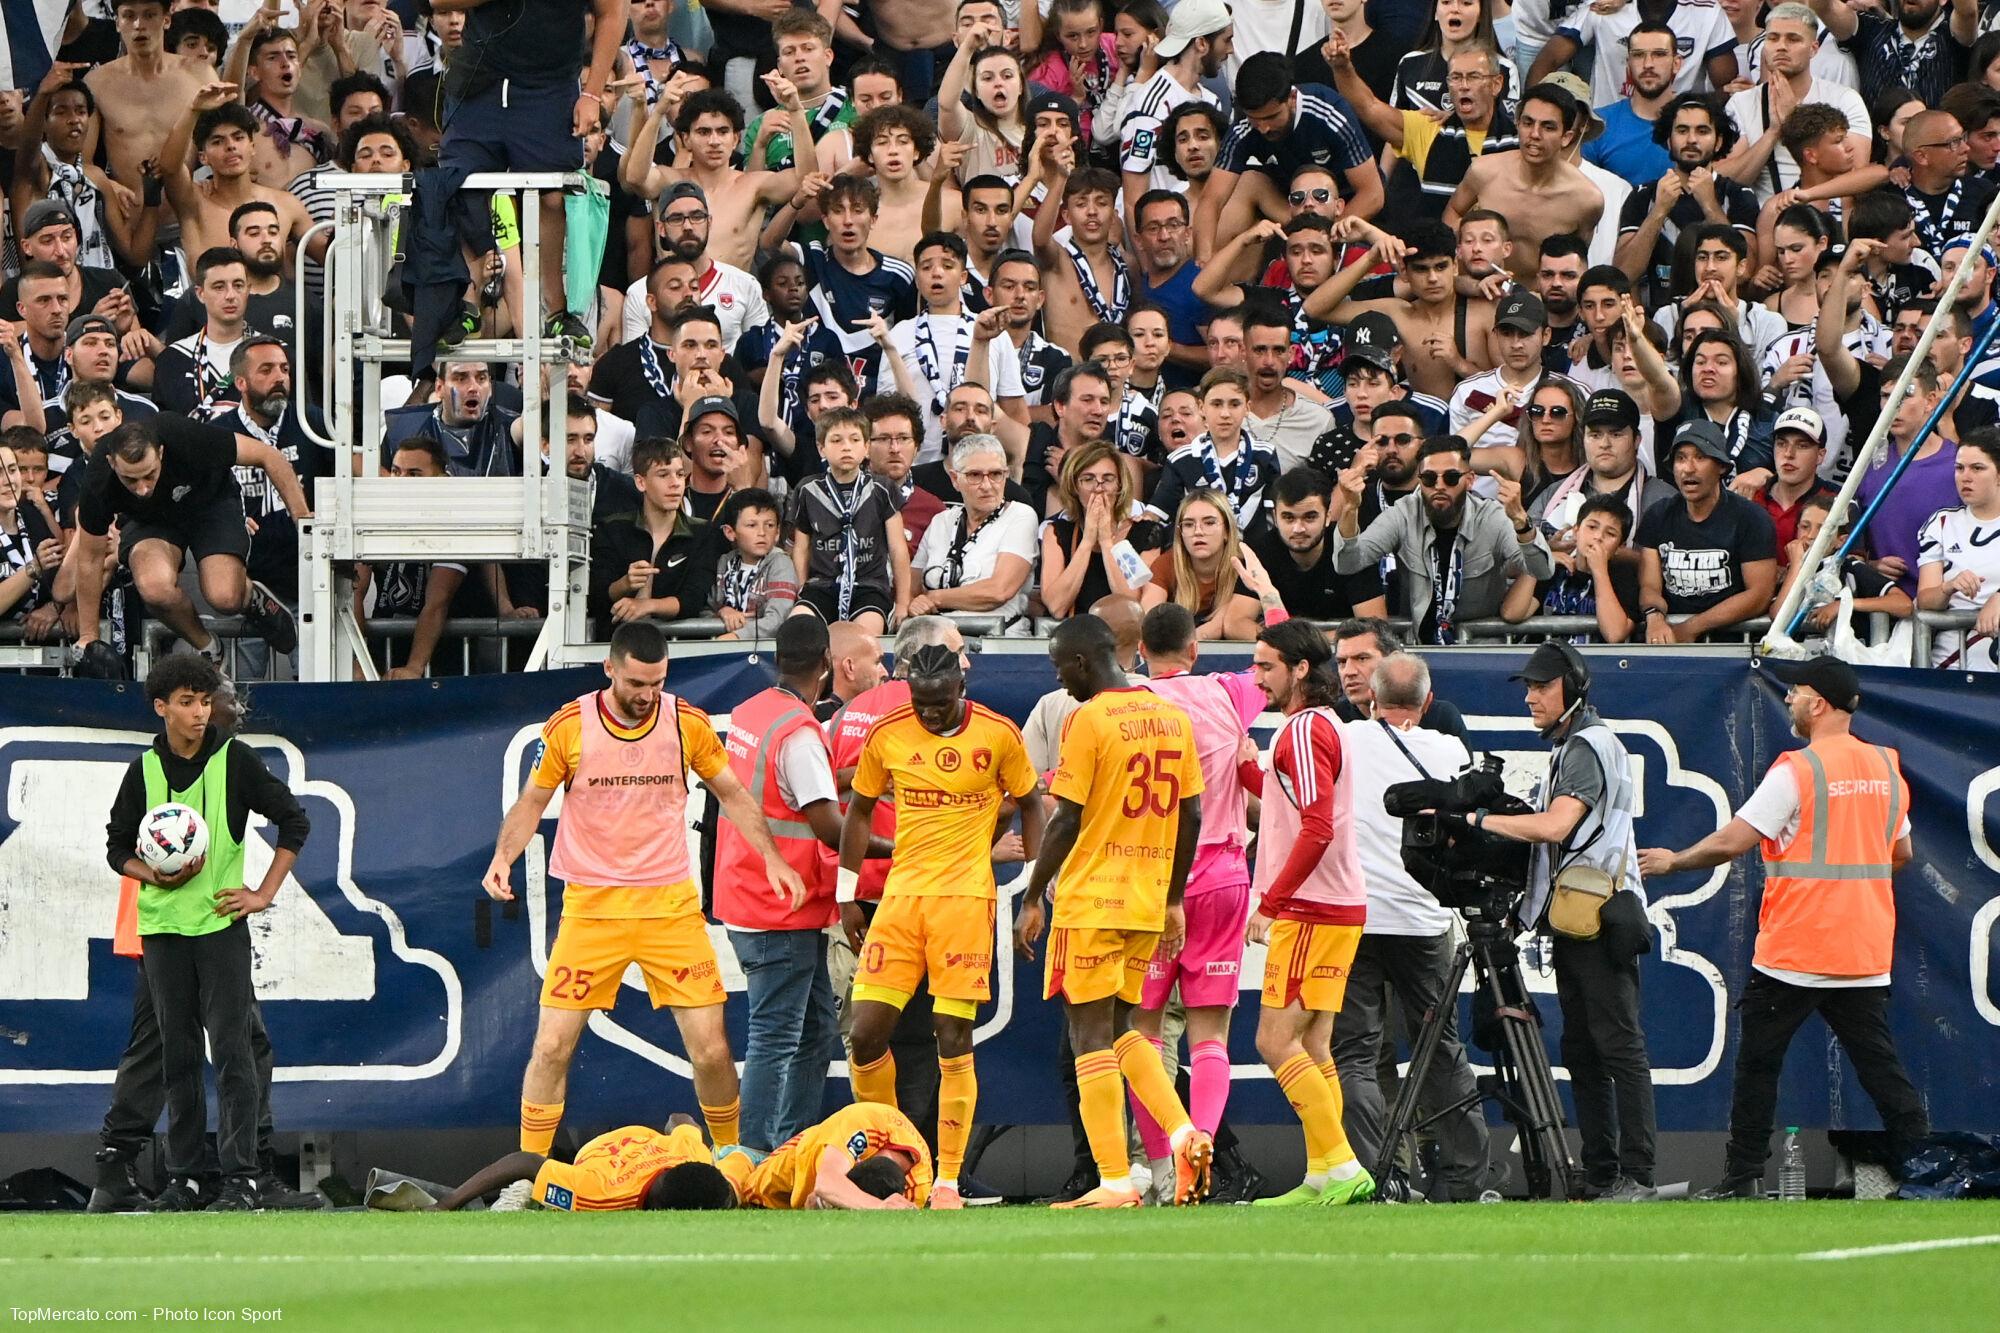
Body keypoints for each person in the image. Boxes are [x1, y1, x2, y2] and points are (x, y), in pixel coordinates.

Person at [482, 621, 807, 1157]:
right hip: (592, 909)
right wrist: (502, 858)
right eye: (636, 684)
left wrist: (772, 857)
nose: (647, 695)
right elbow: (530, 804)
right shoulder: (570, 726)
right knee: (551, 1047)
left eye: (657, 683)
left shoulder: (685, 724)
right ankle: (528, 1173)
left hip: (670, 908)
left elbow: (733, 794)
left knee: (710, 1051)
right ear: (609, 669)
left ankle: (731, 1161)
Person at [1639, 654, 1930, 1199]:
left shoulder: (1799, 769)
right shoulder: (1885, 767)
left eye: (1795, 692)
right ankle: (1925, 1167)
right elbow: (1903, 852)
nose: (1790, 701)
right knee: (1880, 1068)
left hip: (1797, 947)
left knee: (1758, 1066)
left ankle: (1743, 1177)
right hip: (1862, 947)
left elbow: (1733, 841)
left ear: (1818, 702)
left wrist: (1674, 861)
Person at [101, 653, 316, 1212]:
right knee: (176, 1058)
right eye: (188, 703)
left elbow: (295, 820)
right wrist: (154, 874)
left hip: (220, 928)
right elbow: (116, 845)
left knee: (233, 1054)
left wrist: (263, 893)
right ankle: (186, 1178)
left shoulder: (234, 761)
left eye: (204, 701)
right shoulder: (143, 769)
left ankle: (241, 1177)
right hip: (162, 930)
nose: (200, 714)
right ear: (162, 707)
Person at [1015, 614, 1212, 1208]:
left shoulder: (1089, 718)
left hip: (1092, 899)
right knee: (1127, 1029)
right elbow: (1192, 816)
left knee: (1088, 1036)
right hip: (1147, 899)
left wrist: (1031, 894)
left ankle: (1113, 1179)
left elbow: (1067, 816)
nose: (1059, 677)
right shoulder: (1172, 718)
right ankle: (1182, 1134)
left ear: (1081, 662)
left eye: (1058, 666)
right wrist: (1174, 896)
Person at [840, 642, 1043, 1208]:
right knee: (864, 1034)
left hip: (963, 902)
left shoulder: (999, 734)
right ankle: (886, 1155)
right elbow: (857, 811)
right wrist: (846, 894)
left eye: (938, 703)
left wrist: (1032, 891)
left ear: (960, 688)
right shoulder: (889, 733)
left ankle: (946, 1179)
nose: (928, 714)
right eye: (920, 702)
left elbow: (1031, 803)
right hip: (901, 902)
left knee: (952, 1038)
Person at [1477, 640, 1656, 1201]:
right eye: (1529, 687)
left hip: (1596, 918)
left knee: (1615, 1047)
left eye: (1542, 687)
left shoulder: (1584, 745)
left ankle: (1634, 1174)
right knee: (1587, 1049)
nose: (1531, 697)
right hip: (1585, 917)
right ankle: (1605, 1173)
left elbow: (1555, 828)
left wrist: (1481, 820)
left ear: (1573, 689)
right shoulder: (1581, 744)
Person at [1330, 650, 1491, 1200]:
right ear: (1427, 702)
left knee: (1355, 1052)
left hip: (1356, 917)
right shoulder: (1447, 748)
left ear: (1371, 700)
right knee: (1440, 1047)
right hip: (1423, 921)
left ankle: (1379, 1178)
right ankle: (1469, 1178)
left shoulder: (1346, 741)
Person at [1126, 603, 1263, 1201]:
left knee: (1143, 1035)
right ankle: (1200, 1148)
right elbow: (1280, 665)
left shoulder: (1125, 705)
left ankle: (1162, 1163)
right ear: (1194, 649)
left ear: (1138, 653)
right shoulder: (1226, 693)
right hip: (1221, 877)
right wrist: (1264, 591)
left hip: (1149, 883)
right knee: (1211, 1035)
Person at [1240, 618, 1374, 1207]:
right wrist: (1246, 766)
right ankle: (1323, 1174)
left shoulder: (1300, 731)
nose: (1256, 676)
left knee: (1274, 1042)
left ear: (1299, 669)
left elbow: (1316, 826)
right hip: (1337, 903)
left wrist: (1270, 903)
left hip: (1309, 907)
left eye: (1266, 665)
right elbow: (1291, 805)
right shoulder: (1324, 727)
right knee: (1315, 1046)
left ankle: (1341, 1165)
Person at [714, 618, 853, 1153]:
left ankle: (787, 1147)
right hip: (783, 907)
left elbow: (778, 790)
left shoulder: (754, 714)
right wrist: (900, 846)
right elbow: (825, 824)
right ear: (825, 664)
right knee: (776, 1037)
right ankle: (753, 1155)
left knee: (815, 1032)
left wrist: (851, 777)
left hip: (752, 895)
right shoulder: (798, 732)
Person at [69, 415, 307, 662]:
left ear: (161, 453)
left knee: (224, 596)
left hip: (210, 504)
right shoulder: (98, 476)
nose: (142, 488)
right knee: (154, 587)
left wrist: (302, 519)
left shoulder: (183, 434)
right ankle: (208, 647)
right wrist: (89, 636)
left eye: (149, 475)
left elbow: (268, 455)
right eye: (130, 479)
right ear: (112, 463)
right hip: (150, 520)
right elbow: (89, 559)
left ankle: (252, 597)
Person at [1332, 436, 1553, 644]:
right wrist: (1350, 508)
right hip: (1418, 648)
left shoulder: (1492, 516)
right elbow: (1347, 563)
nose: (1439, 486)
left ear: (1469, 480)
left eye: (1451, 477)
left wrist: (1520, 521)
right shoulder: (1404, 513)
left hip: (1480, 648)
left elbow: (1541, 570)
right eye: (1429, 478)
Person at [1328, 38, 1516, 220]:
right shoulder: (1430, 128)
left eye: (1474, 77)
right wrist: (1342, 67)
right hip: (1441, 247)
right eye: (1456, 78)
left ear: (1497, 84)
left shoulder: (1522, 139)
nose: (1464, 86)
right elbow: (1369, 107)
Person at [1445, 85, 1605, 286]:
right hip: (1479, 288)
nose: (1535, 134)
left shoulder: (1586, 199)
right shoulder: (1483, 171)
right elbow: (1453, 212)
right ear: (1517, 124)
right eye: (1528, 123)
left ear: (1566, 137)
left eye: (1548, 127)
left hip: (1539, 301)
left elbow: (1576, 261)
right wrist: (1470, 243)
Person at [1637, 420, 1781, 642]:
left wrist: (1692, 627)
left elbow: (1759, 595)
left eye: (1700, 457)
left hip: (1734, 646)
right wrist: (1655, 618)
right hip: (1671, 642)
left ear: (1722, 466)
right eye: (1681, 458)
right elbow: (1649, 585)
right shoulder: (1658, 515)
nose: (1688, 468)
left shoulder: (1751, 518)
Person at [1616, 93, 1759, 311]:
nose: (1691, 140)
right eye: (1682, 131)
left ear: (1719, 141)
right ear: (1668, 139)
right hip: (1660, 320)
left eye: (1702, 131)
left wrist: (1710, 205)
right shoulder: (1643, 195)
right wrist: (1659, 211)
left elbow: (1745, 273)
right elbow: (1623, 275)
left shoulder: (1739, 194)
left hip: (1724, 318)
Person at [425, 1113, 736, 1213]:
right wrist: (447, 1203)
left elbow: (680, 1119)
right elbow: (523, 1161)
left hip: (640, 1140)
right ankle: (531, 1192)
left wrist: (665, 1136)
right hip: (595, 1154)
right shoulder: (600, 1194)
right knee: (536, 1179)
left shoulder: (692, 1154)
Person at [786, 408, 911, 634]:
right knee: (799, 628)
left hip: (869, 587)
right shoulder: (807, 490)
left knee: (864, 635)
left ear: (866, 448)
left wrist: (902, 602)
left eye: (855, 440)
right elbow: (801, 547)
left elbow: (898, 548)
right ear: (821, 448)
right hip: (822, 585)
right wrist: (802, 587)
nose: (846, 446)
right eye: (836, 440)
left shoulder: (882, 488)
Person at [909, 434, 1038, 629]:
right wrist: (915, 603)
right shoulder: (941, 521)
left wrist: (934, 598)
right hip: (936, 638)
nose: (987, 486)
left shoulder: (1020, 516)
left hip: (996, 639)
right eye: (975, 475)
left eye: (995, 474)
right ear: (955, 479)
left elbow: (998, 591)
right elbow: (912, 587)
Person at [719, 1102, 934, 1210]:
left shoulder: (918, 1188)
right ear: (857, 1161)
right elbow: (826, 1184)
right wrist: (878, 1207)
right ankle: (686, 1129)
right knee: (717, 1195)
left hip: (800, 1183)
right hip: (757, 1173)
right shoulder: (863, 1123)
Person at [1916, 434, 2000, 671]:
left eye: (1977, 468)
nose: (1965, 477)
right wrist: (1948, 586)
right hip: (1952, 664)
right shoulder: (1941, 523)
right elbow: (1925, 600)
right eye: (1959, 468)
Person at [710, 489, 797, 641]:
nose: (762, 532)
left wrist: (736, 636)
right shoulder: (724, 563)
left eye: (769, 525)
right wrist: (723, 611)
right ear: (730, 532)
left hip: (764, 655)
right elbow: (705, 610)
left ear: (777, 532)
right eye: (752, 525)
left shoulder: (780, 563)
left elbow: (779, 618)